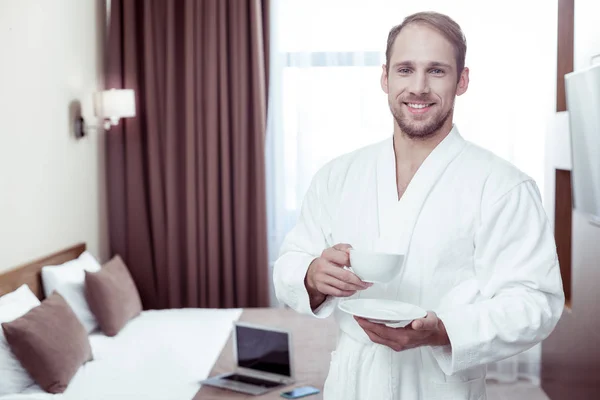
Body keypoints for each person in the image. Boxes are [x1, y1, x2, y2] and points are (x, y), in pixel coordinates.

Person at [272, 10, 564, 400]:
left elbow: (535, 303)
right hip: (351, 382)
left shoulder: (503, 186)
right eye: (405, 69)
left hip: (440, 387)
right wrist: (311, 275)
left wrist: (445, 330)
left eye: (437, 71)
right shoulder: (338, 175)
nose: (419, 87)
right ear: (385, 77)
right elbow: (291, 260)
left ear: (462, 81)